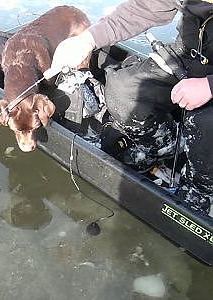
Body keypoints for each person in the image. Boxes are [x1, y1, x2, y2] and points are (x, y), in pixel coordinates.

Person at [45, 0, 213, 214]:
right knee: (124, 91)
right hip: (190, 54)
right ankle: (164, 145)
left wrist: (209, 86)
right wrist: (87, 40)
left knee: (204, 124)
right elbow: (144, 7)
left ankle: (201, 190)